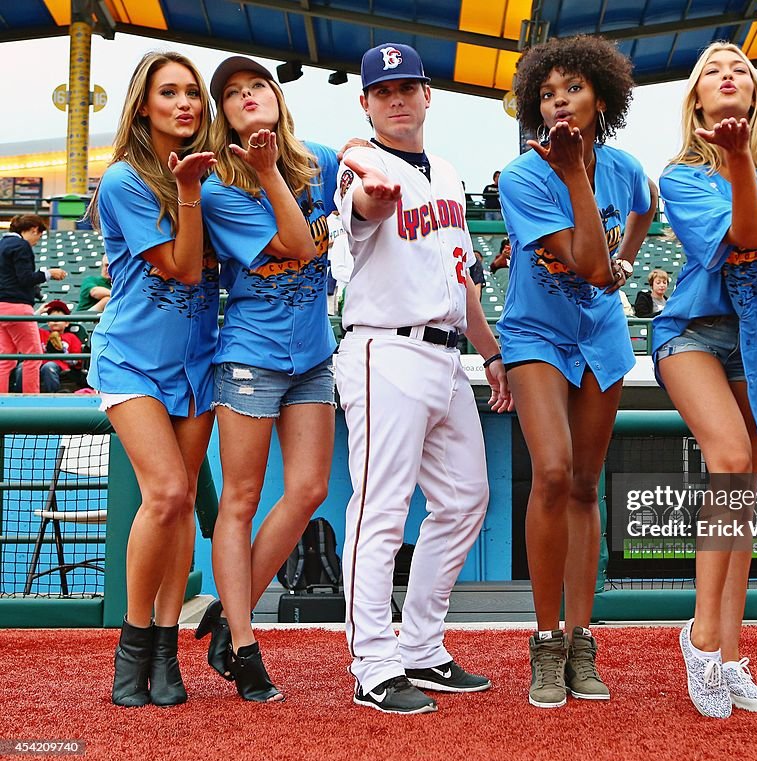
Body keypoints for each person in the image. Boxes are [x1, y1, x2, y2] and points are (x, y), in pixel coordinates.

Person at [334, 42, 511, 715]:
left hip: (447, 355)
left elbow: (462, 275)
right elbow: (364, 211)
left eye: (408, 86)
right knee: (379, 508)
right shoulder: (361, 169)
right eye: (384, 91)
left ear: (428, 94)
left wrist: (490, 353)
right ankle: (373, 662)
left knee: (466, 499)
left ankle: (421, 647)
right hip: (386, 350)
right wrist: (371, 195)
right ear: (367, 103)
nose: (398, 98)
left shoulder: (449, 170)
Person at [497, 34, 658, 709]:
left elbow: (643, 208)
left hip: (601, 332)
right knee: (554, 473)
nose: (559, 100)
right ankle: (545, 641)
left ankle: (582, 637)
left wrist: (629, 256)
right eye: (547, 92)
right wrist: (571, 178)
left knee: (588, 484)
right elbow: (589, 267)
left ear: (602, 97)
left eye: (573, 88)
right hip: (538, 332)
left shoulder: (622, 168)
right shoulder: (523, 175)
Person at [651, 41, 757, 719]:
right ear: (697, 99)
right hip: (692, 332)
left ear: (753, 93)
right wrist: (740, 159)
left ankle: (732, 653)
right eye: (713, 70)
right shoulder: (683, 175)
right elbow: (747, 237)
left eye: (740, 69)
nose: (728, 75)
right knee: (730, 461)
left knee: (743, 500)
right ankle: (701, 639)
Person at [197, 55, 339, 703]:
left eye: (258, 86)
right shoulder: (222, 186)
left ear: (278, 99)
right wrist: (263, 172)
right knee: (241, 500)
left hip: (312, 353)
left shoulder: (318, 160)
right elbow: (299, 244)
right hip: (250, 356)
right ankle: (246, 645)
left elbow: (361, 182)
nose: (248, 96)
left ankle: (230, 614)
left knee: (308, 489)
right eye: (233, 93)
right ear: (222, 113)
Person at [84, 51, 219, 707]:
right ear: (143, 104)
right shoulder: (123, 180)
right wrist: (191, 193)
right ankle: (132, 645)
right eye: (169, 93)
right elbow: (184, 268)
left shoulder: (217, 175)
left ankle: (167, 649)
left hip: (198, 361)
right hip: (132, 358)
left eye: (193, 92)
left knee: (185, 502)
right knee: (164, 493)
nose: (185, 104)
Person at [0, 214, 66, 393]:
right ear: (33, 229)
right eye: (39, 235)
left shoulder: (1, 245)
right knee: (34, 356)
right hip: (17, 307)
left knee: (6, 358)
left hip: (1, 308)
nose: (38, 240)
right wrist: (49, 273)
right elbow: (25, 278)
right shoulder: (21, 245)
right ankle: (32, 397)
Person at [12, 299, 84, 393]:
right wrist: (38, 312)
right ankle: (18, 396)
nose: (55, 321)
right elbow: (25, 326)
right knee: (23, 366)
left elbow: (76, 361)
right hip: (38, 363)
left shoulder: (71, 337)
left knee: (49, 366)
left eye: (60, 318)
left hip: (60, 366)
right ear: (48, 322)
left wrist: (61, 352)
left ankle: (52, 397)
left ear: (67, 323)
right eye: (52, 318)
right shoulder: (40, 333)